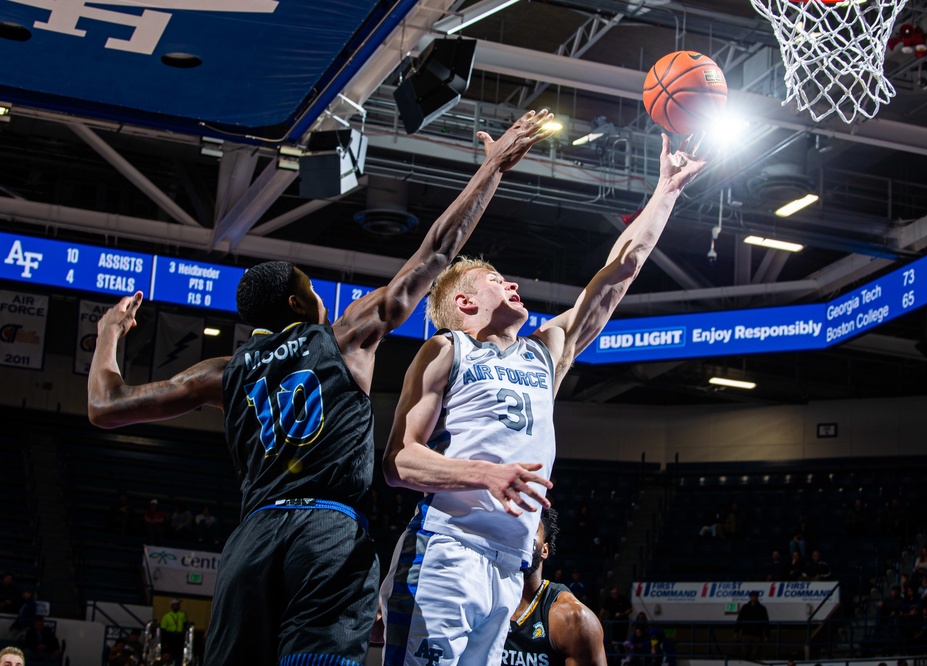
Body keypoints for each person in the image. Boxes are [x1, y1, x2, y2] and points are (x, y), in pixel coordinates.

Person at [87, 108, 555, 666]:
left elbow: (106, 406)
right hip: (327, 532)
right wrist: (492, 168)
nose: (321, 298)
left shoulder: (222, 372)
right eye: (312, 290)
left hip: (254, 535)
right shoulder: (343, 337)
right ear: (297, 304)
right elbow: (435, 252)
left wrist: (107, 333)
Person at [380, 133, 711, 666]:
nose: (512, 284)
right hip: (446, 550)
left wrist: (666, 191)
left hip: (510, 567)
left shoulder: (544, 353)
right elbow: (398, 462)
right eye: (495, 280)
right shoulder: (447, 349)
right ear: (464, 301)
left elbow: (619, 272)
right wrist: (485, 474)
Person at [503, 508, 607, 666]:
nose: (521, 539)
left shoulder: (573, 619)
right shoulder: (481, 601)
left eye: (530, 531)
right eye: (515, 530)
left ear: (544, 550)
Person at [735, 590, 770, 660]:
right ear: (750, 597)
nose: (753, 597)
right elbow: (740, 619)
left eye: (755, 596)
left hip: (757, 633)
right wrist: (736, 631)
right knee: (744, 652)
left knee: (755, 654)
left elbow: (766, 622)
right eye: (752, 596)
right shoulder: (745, 607)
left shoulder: (762, 608)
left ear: (757, 597)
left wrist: (767, 634)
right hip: (746, 633)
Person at [160, 598, 187, 666]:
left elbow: (185, 625)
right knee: (170, 654)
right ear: (171, 606)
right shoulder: (167, 616)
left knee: (179, 655)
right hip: (170, 636)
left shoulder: (183, 614)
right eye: (175, 605)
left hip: (180, 637)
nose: (177, 606)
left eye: (178, 605)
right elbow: (163, 629)